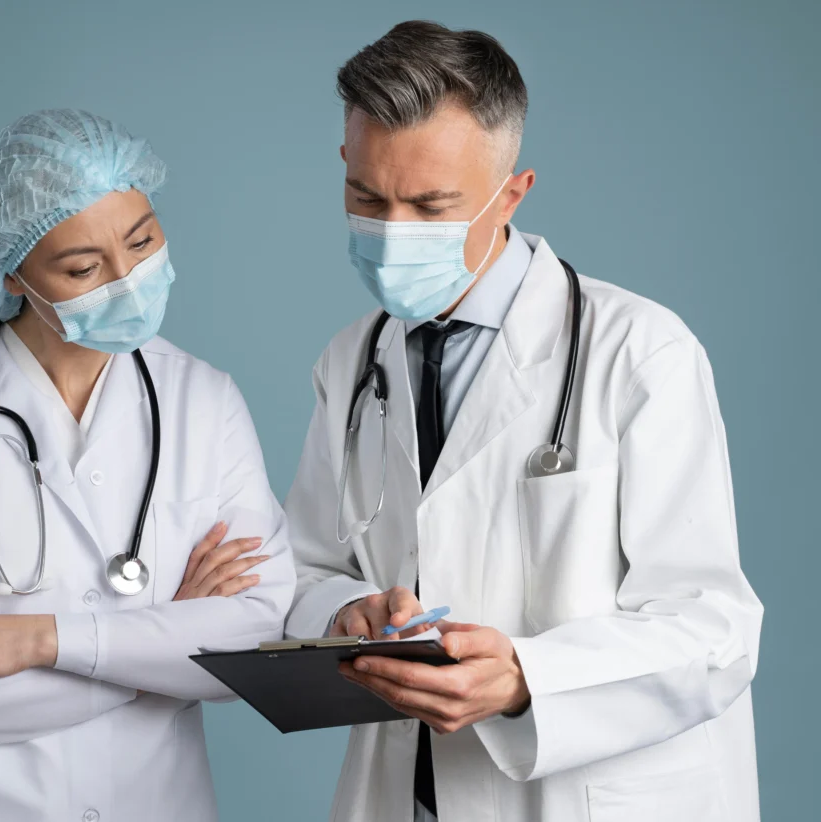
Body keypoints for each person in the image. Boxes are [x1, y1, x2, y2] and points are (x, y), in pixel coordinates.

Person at [284, 21, 762, 822]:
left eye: (432, 206)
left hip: (590, 796)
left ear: (511, 193)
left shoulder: (640, 351)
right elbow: (307, 567)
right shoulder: (351, 361)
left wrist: (525, 680)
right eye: (367, 198)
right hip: (409, 788)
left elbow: (714, 629)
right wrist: (347, 611)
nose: (394, 232)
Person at [0, 108, 295, 822]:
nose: (128, 278)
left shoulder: (204, 400)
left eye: (142, 240)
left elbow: (253, 641)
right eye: (83, 267)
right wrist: (164, 646)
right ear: (13, 275)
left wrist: (33, 640)